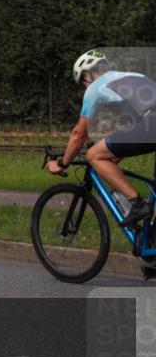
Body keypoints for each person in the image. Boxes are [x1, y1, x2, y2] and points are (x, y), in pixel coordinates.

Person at [47, 49, 156, 226]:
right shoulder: (134, 75)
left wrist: (62, 163)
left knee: (93, 155)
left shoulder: (95, 88)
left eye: (82, 81)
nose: (84, 85)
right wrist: (111, 157)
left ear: (86, 75)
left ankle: (137, 204)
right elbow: (134, 130)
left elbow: (79, 134)